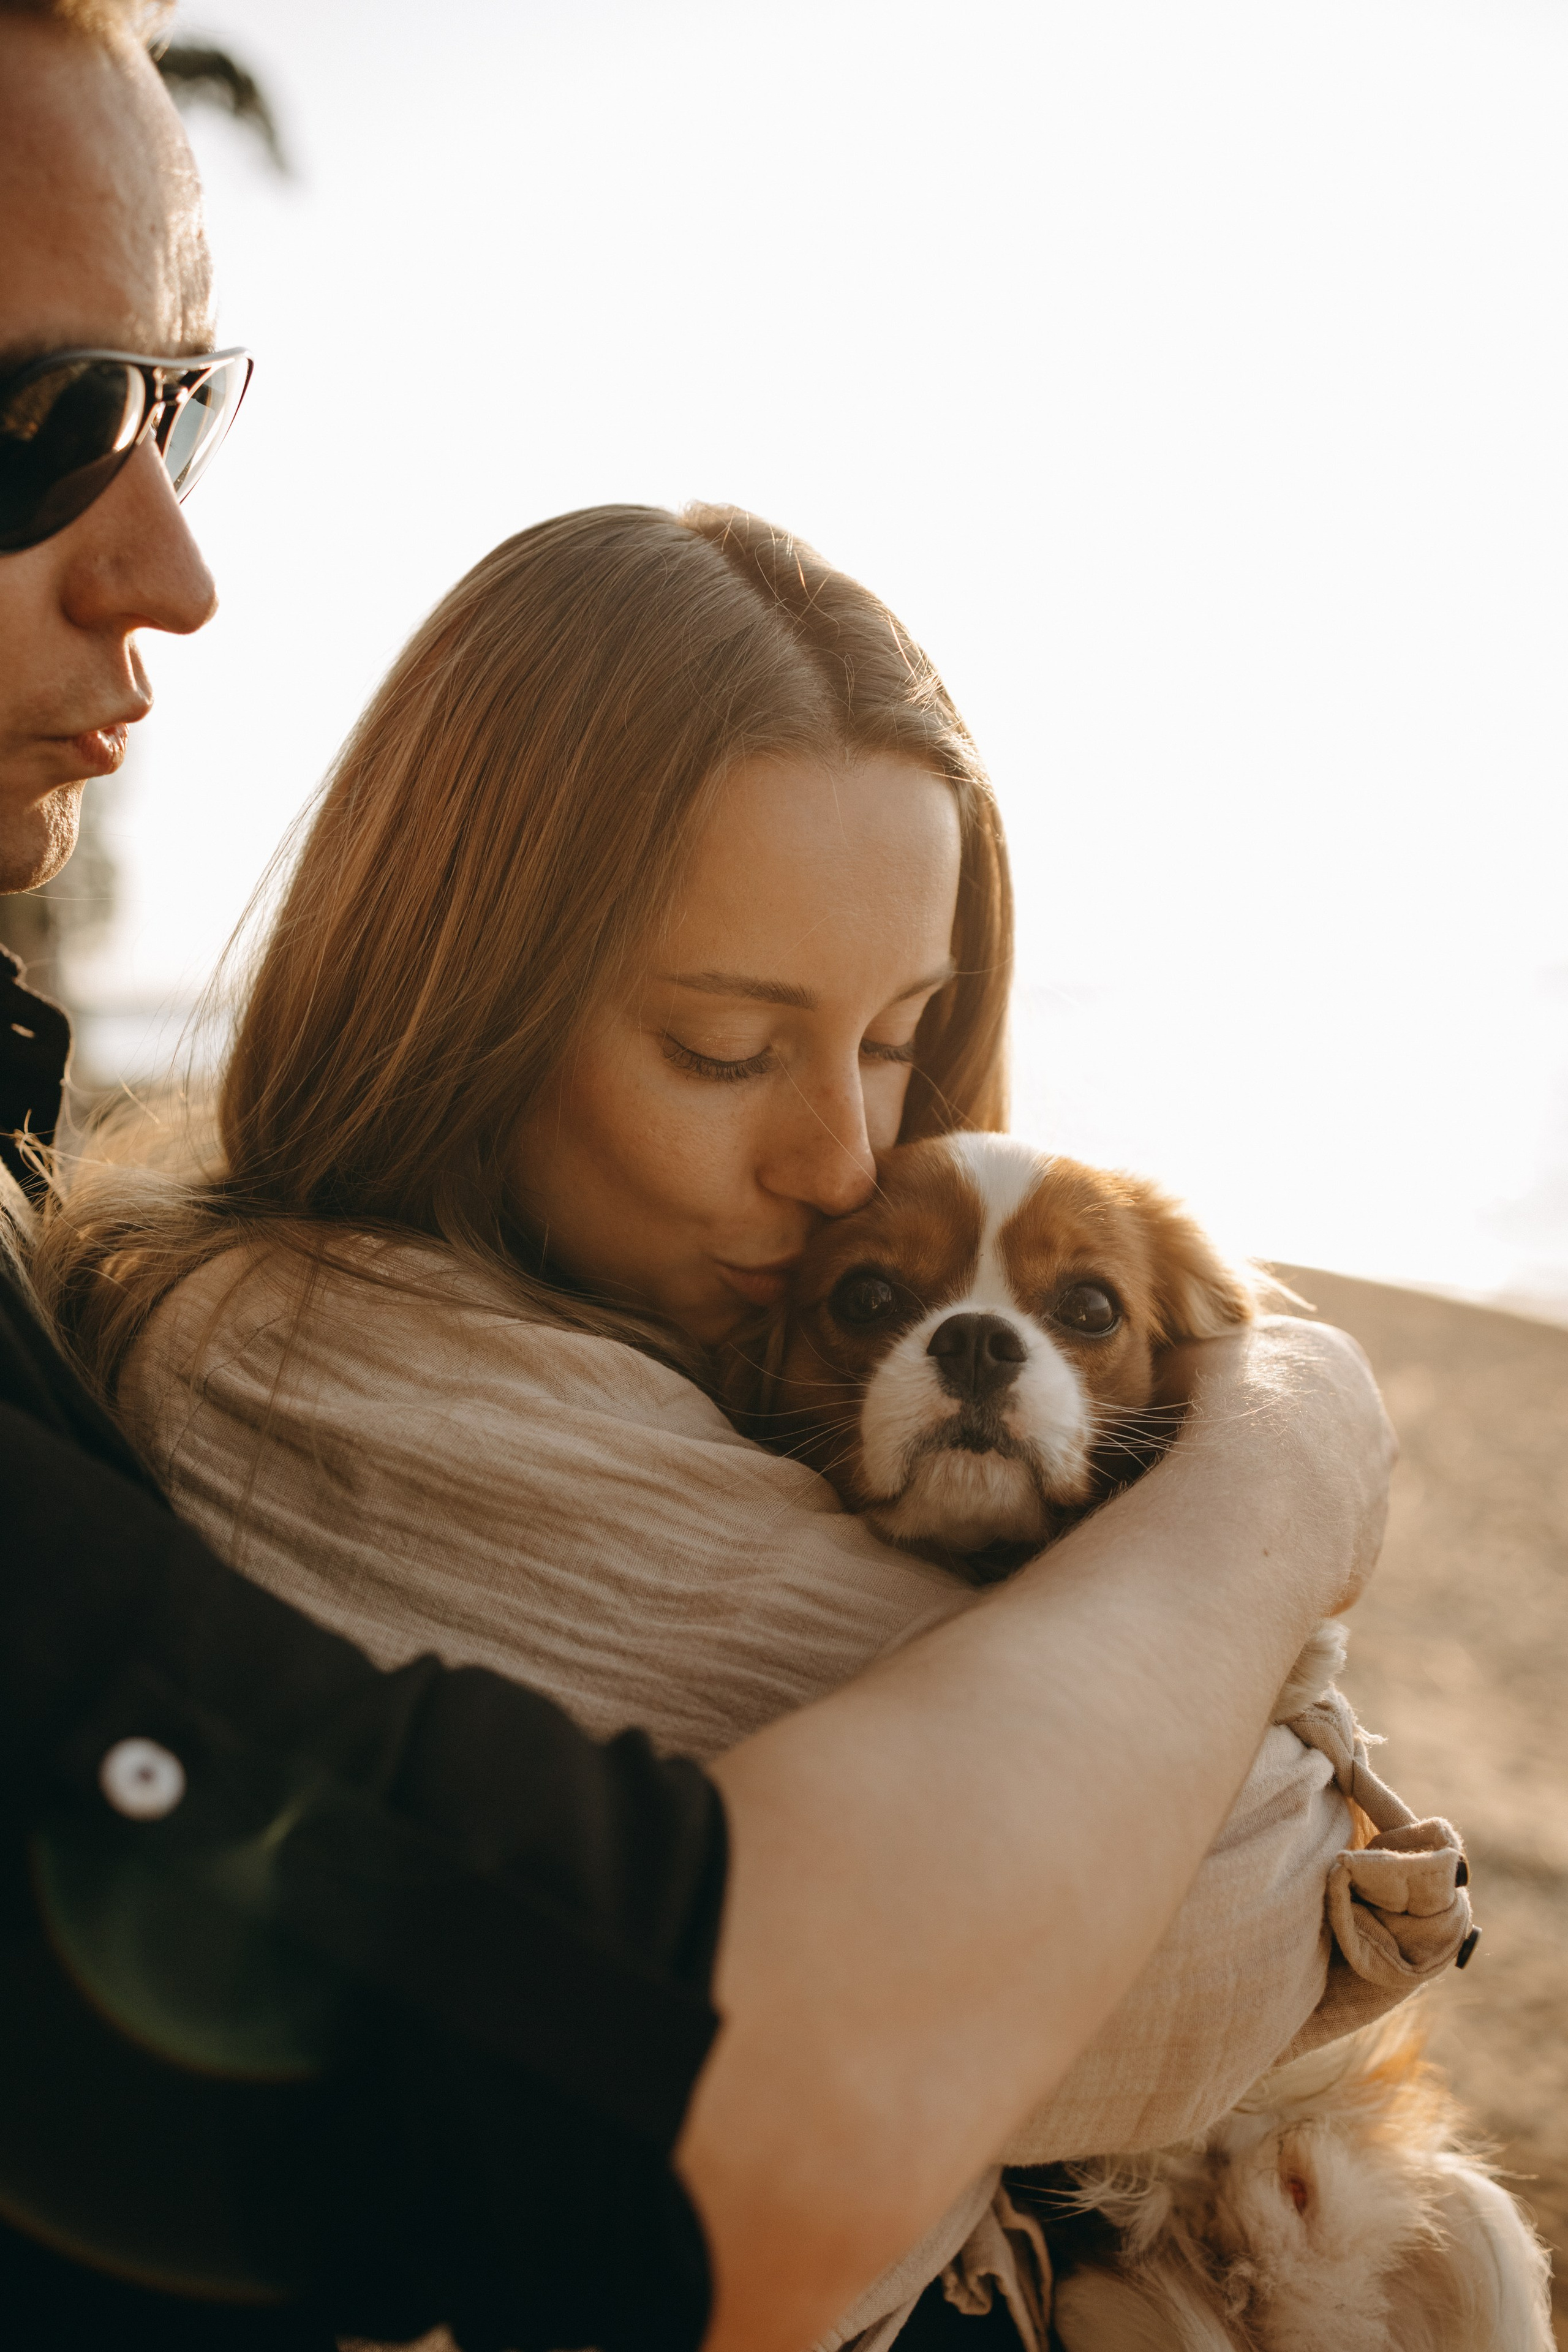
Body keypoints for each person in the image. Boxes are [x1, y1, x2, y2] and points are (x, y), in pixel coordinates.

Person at [0, 4, 1397, 2350]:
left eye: (899, 1041)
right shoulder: (325, 1373)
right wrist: (1302, 1450)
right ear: (466, 993)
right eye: (724, 1048)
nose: (853, 1154)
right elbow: (1177, 1922)